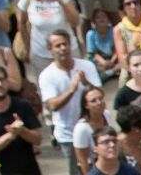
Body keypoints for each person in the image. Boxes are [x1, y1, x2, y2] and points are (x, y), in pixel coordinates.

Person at [39, 30, 104, 175]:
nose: (63, 48)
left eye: (65, 44)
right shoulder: (46, 75)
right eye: (58, 45)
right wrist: (72, 90)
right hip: (68, 134)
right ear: (50, 50)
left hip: (94, 128)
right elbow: (52, 105)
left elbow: (101, 94)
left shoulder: (86, 66)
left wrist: (86, 82)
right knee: (77, 171)